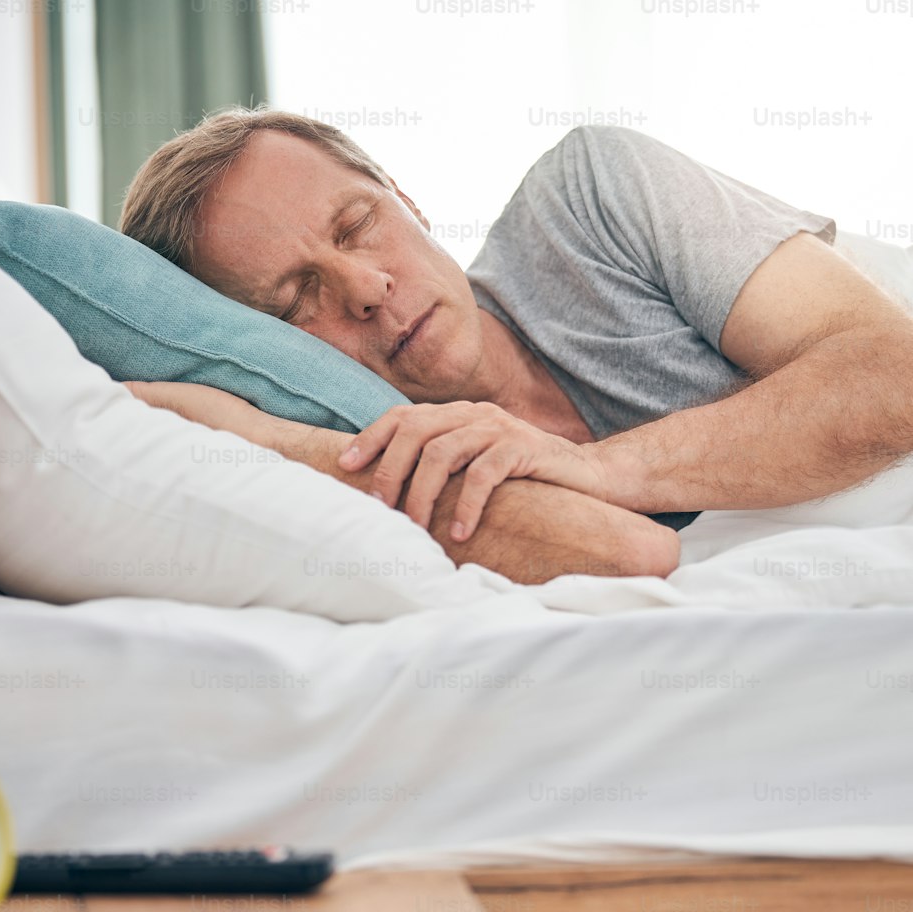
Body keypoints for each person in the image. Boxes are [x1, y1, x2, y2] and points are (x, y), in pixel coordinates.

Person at [119, 110, 913, 582]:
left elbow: (895, 377)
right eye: (295, 301)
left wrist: (602, 468)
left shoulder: (593, 196)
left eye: (359, 226)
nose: (363, 287)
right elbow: (632, 560)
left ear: (408, 201)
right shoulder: (387, 463)